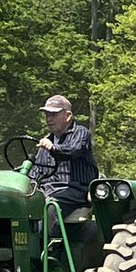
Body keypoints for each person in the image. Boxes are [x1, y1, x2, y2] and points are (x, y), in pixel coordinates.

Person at [33, 94, 99, 241]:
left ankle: (48, 252)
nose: (49, 118)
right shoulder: (47, 140)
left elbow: (73, 150)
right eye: (47, 114)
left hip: (76, 190)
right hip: (47, 189)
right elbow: (36, 170)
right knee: (25, 205)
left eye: (54, 114)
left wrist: (54, 148)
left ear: (68, 115)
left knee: (50, 207)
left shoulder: (80, 133)